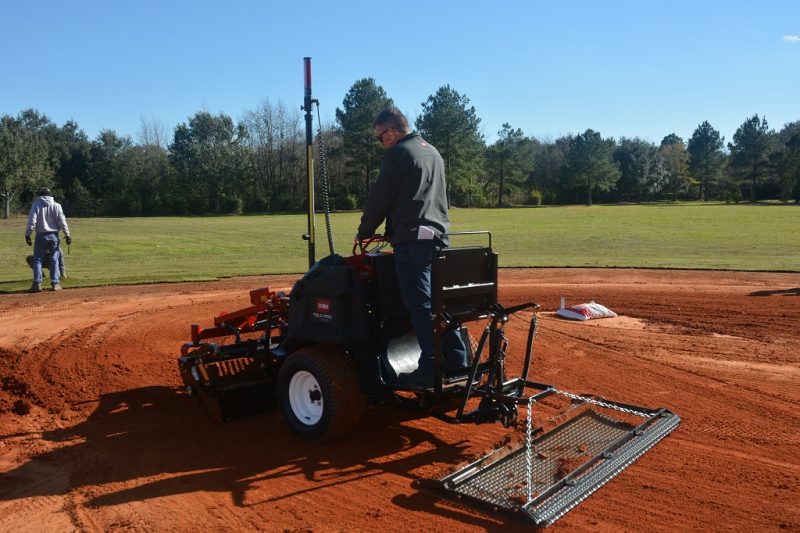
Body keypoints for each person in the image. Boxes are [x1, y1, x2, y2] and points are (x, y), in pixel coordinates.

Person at [357, 107, 467, 386]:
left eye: (380, 137)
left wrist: (365, 231)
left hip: (413, 242)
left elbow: (380, 197)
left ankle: (430, 368)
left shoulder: (399, 153)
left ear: (391, 132)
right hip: (439, 236)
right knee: (438, 303)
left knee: (419, 305)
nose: (381, 143)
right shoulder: (432, 151)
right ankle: (457, 359)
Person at [24, 187, 72, 292]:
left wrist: (28, 234)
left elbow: (32, 221)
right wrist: (67, 235)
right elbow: (62, 222)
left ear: (40, 195)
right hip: (54, 235)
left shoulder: (36, 204)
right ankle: (55, 284)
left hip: (41, 235)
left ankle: (37, 284)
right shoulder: (57, 206)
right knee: (54, 259)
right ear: (50, 195)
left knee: (37, 260)